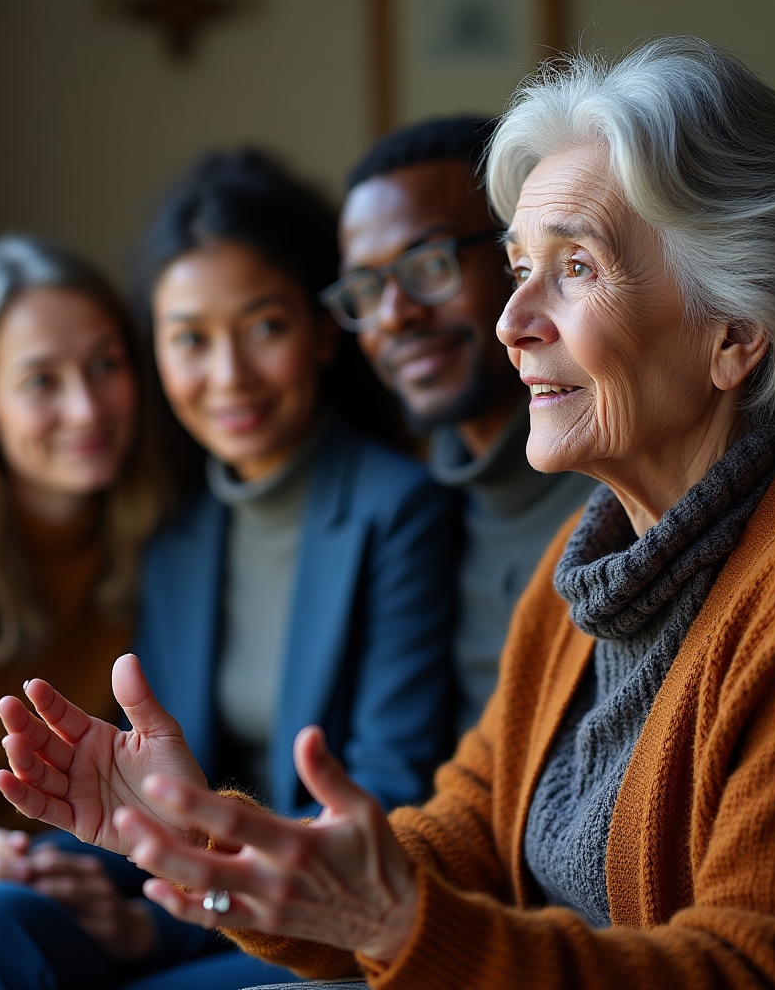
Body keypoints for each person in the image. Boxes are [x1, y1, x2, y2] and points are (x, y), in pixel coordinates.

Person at [0, 37, 775, 989]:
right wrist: (205, 832)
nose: (512, 321)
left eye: (577, 268)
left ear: (737, 330)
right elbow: (456, 835)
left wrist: (397, 925)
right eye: (517, 270)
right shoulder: (590, 562)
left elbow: (763, 974)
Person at [120, 149, 458, 989]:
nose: (228, 376)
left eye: (264, 326)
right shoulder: (175, 531)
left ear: (318, 333)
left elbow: (387, 788)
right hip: (189, 895)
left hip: (320, 922)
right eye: (191, 340)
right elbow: (160, 786)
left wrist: (154, 926)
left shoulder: (399, 509)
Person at [0, 235, 220, 990]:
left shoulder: (182, 537)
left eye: (105, 365)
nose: (86, 408)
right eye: (40, 382)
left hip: (137, 875)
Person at [322, 118, 595, 734]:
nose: (395, 316)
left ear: (518, 260)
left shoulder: (621, 488)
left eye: (429, 263)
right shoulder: (417, 512)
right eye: (366, 289)